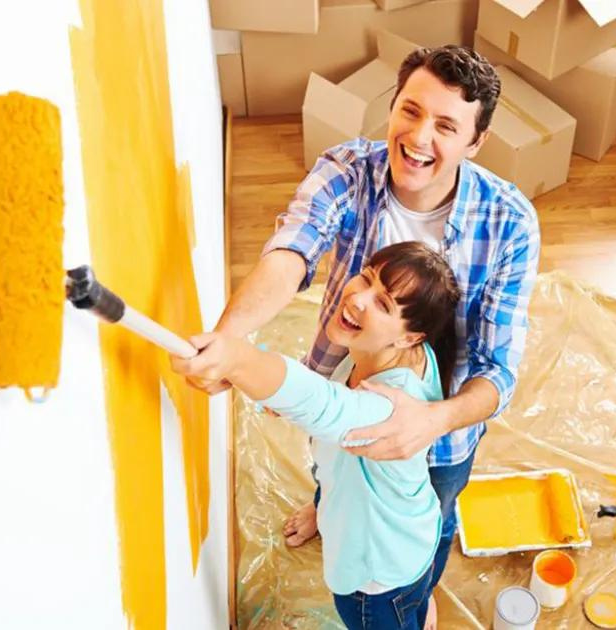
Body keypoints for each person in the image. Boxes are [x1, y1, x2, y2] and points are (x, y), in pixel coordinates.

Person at [188, 44, 541, 627]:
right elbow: (292, 252)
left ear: (475, 143)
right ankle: (330, 512)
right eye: (410, 110)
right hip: (348, 382)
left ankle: (415, 595)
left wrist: (431, 422)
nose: (419, 137)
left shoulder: (510, 221)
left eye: (447, 126)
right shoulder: (348, 169)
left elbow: (498, 369)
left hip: (443, 430)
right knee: (336, 469)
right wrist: (227, 340)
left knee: (431, 513)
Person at [173, 242, 460, 630]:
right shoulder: (399, 350)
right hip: (412, 539)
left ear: (409, 337)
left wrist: (237, 359)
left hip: (379, 579)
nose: (358, 299)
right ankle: (416, 609)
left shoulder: (392, 406)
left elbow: (324, 405)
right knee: (410, 605)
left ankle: (412, 610)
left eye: (384, 305)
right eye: (367, 279)